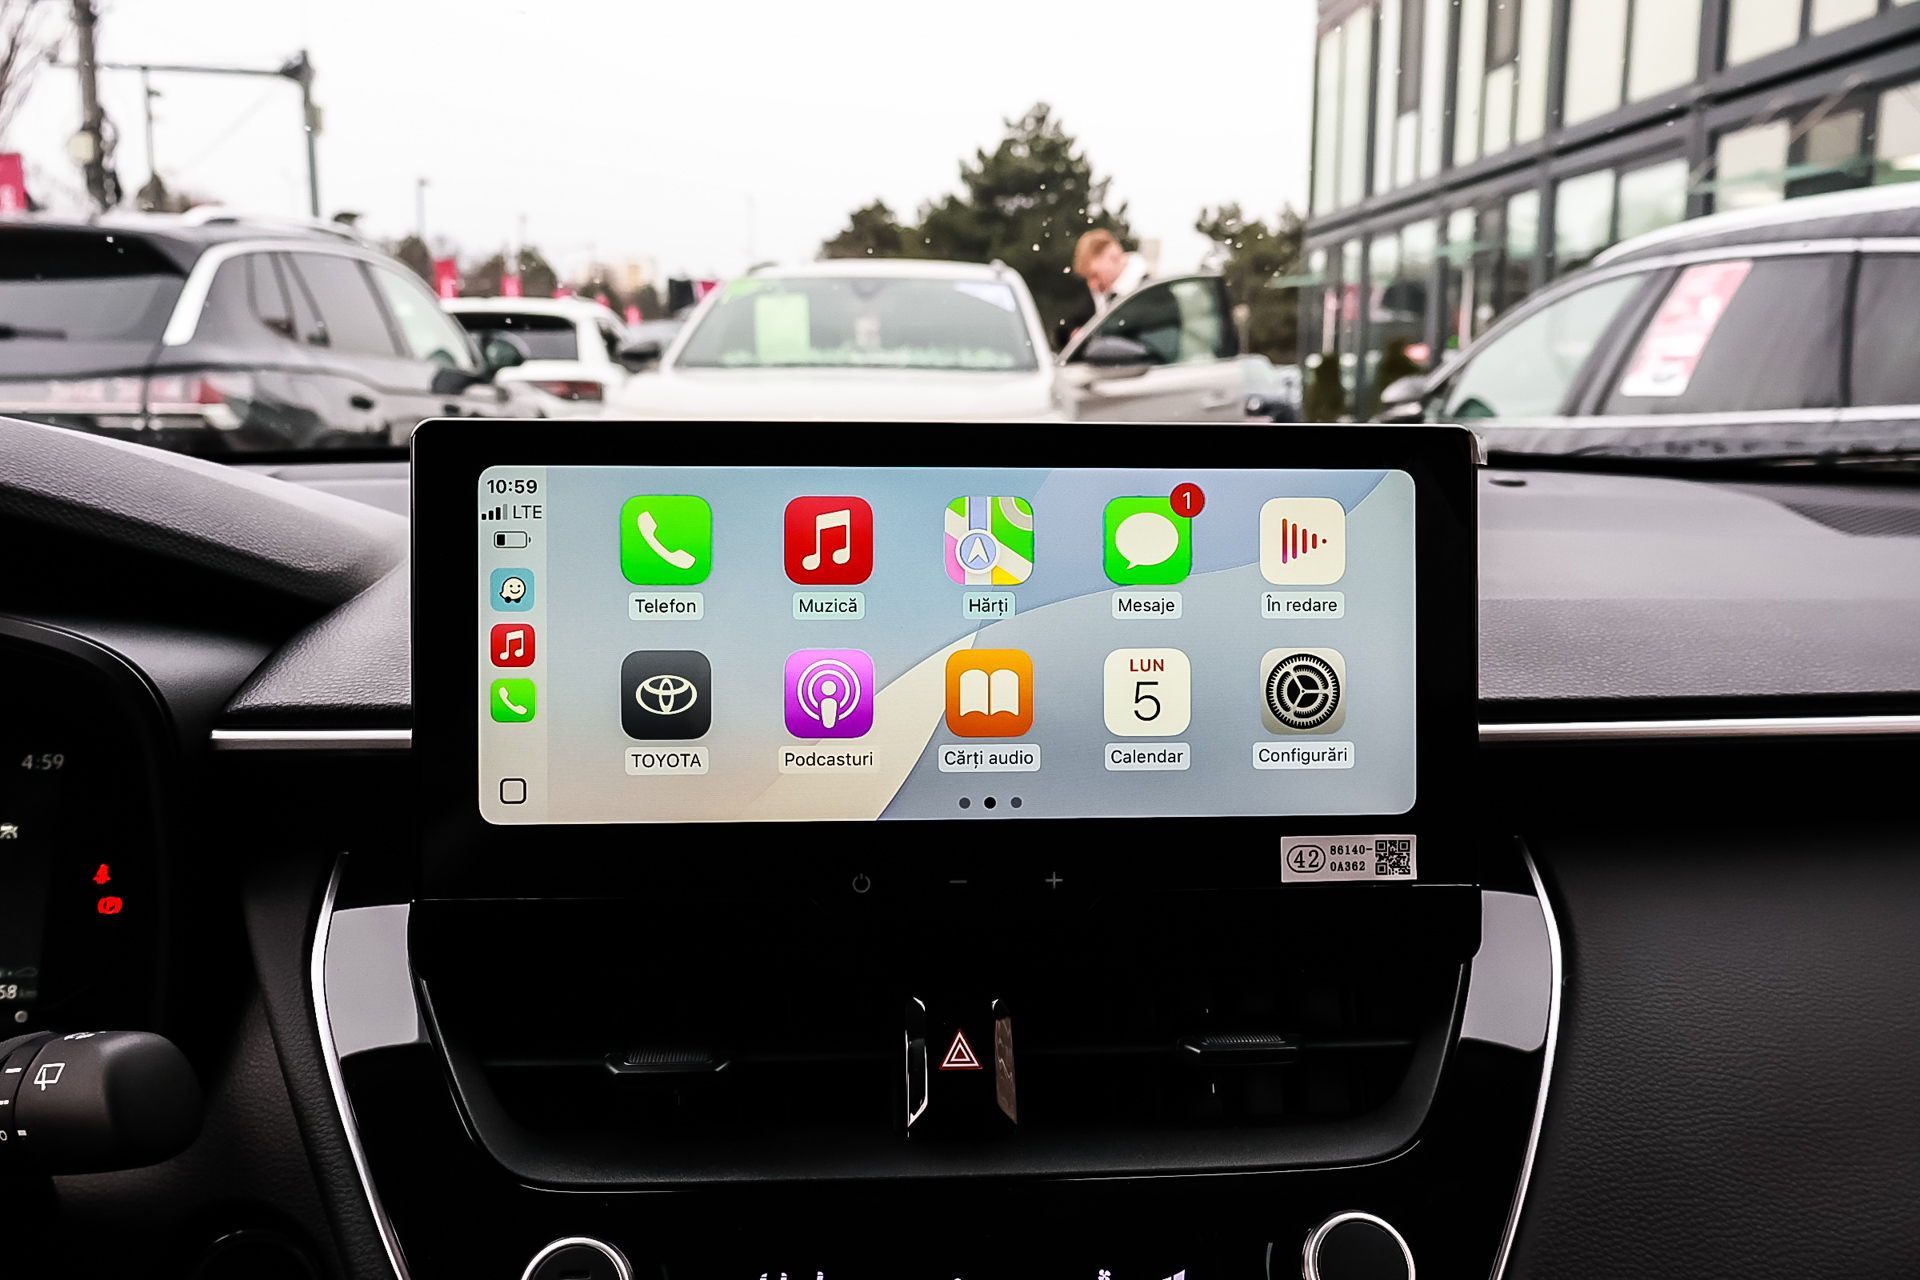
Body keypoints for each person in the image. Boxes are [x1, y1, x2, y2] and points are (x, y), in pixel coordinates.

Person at [1074, 229, 1149, 319]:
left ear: (1114, 257)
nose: (1091, 284)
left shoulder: (1148, 296)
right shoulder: (1099, 302)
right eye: (1088, 278)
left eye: (1095, 275)